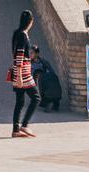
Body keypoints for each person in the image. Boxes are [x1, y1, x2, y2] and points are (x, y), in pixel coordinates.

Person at [9, 9, 38, 138]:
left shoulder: (17, 33)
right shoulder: (22, 35)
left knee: (20, 102)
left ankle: (16, 130)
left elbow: (14, 54)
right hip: (23, 73)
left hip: (18, 70)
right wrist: (20, 76)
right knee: (36, 98)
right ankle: (24, 125)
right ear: (30, 22)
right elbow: (19, 54)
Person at [32, 45, 62, 111]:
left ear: (37, 54)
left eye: (32, 53)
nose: (30, 54)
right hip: (33, 81)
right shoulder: (28, 63)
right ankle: (53, 103)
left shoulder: (43, 62)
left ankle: (48, 102)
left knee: (47, 88)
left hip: (43, 80)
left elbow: (52, 72)